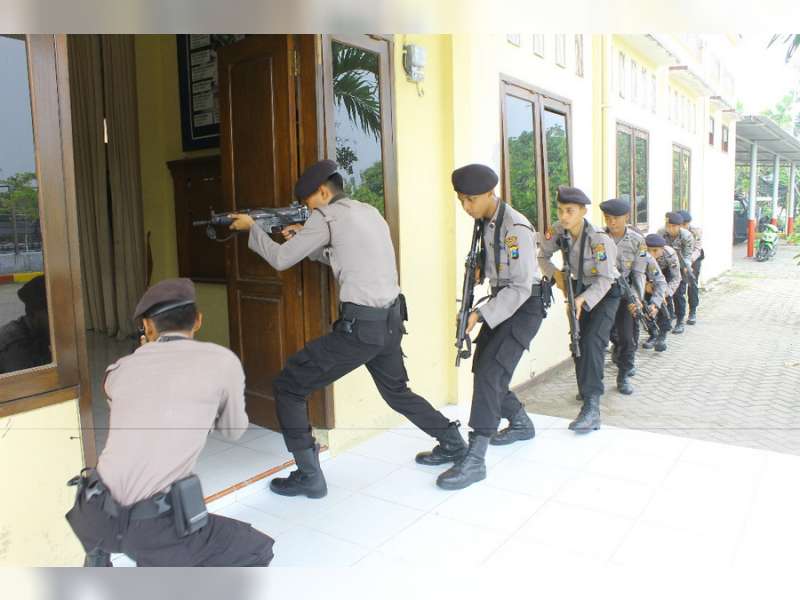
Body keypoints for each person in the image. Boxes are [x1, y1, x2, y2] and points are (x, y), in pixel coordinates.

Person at [229, 160, 465, 498]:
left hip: (362, 328)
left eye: (308, 202)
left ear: (323, 192)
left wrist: (253, 228)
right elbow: (346, 255)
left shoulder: (325, 216)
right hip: (391, 321)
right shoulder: (368, 212)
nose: (306, 210)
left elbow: (281, 260)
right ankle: (452, 441)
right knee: (397, 392)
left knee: (289, 385)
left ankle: (309, 476)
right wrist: (307, 242)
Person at [65, 278, 275, 567]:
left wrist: (144, 352)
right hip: (153, 528)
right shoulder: (221, 362)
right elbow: (233, 429)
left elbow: (128, 404)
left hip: (92, 513)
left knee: (115, 532)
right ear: (198, 321)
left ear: (148, 327)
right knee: (256, 550)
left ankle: (98, 557)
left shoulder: (118, 370)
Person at [435, 164, 548, 490]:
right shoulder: (486, 222)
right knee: (484, 367)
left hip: (524, 306)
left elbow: (521, 286)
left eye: (470, 200)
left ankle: (476, 458)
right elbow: (497, 267)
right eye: (461, 201)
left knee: (490, 374)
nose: (466, 207)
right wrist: (480, 271)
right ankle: (521, 423)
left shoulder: (515, 229)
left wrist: (479, 315)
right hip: (504, 302)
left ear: (489, 194)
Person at [538, 186, 621, 433]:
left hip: (604, 293)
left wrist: (583, 299)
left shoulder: (599, 239)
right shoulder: (557, 230)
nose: (564, 216)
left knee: (593, 342)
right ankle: (586, 390)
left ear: (583, 211)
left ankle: (592, 407)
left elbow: (606, 279)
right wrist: (556, 277)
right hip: (577, 290)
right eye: (561, 210)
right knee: (578, 341)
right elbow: (542, 256)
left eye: (570, 211)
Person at [599, 199, 647, 395]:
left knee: (627, 337)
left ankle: (624, 375)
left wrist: (637, 299)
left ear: (626, 217)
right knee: (601, 336)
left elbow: (639, 273)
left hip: (625, 293)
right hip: (601, 292)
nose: (611, 222)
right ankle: (593, 381)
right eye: (608, 218)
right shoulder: (598, 237)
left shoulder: (637, 241)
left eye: (616, 218)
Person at [0, 274, 51, 374]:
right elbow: (26, 385)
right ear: (33, 313)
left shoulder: (38, 334)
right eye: (50, 312)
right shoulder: (15, 345)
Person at [657, 212, 694, 334]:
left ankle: (680, 320)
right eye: (668, 225)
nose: (670, 228)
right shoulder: (661, 233)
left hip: (681, 266)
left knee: (679, 294)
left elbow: (688, 255)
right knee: (665, 292)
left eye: (673, 226)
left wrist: (685, 267)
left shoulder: (686, 236)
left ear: (679, 226)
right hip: (664, 265)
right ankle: (668, 317)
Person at [643, 234, 681, 351]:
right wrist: (644, 285)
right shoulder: (641, 254)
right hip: (647, 278)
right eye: (649, 250)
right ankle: (653, 333)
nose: (652, 254)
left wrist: (665, 293)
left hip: (666, 277)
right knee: (647, 305)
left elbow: (676, 278)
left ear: (662, 248)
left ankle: (662, 335)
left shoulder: (670, 254)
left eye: (655, 251)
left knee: (665, 305)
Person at [678, 210, 703, 325]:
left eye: (685, 224)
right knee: (679, 286)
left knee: (692, 284)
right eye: (681, 224)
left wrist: (689, 262)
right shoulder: (674, 231)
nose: (683, 227)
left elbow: (697, 248)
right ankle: (679, 313)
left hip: (694, 259)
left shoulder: (695, 231)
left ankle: (692, 311)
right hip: (679, 260)